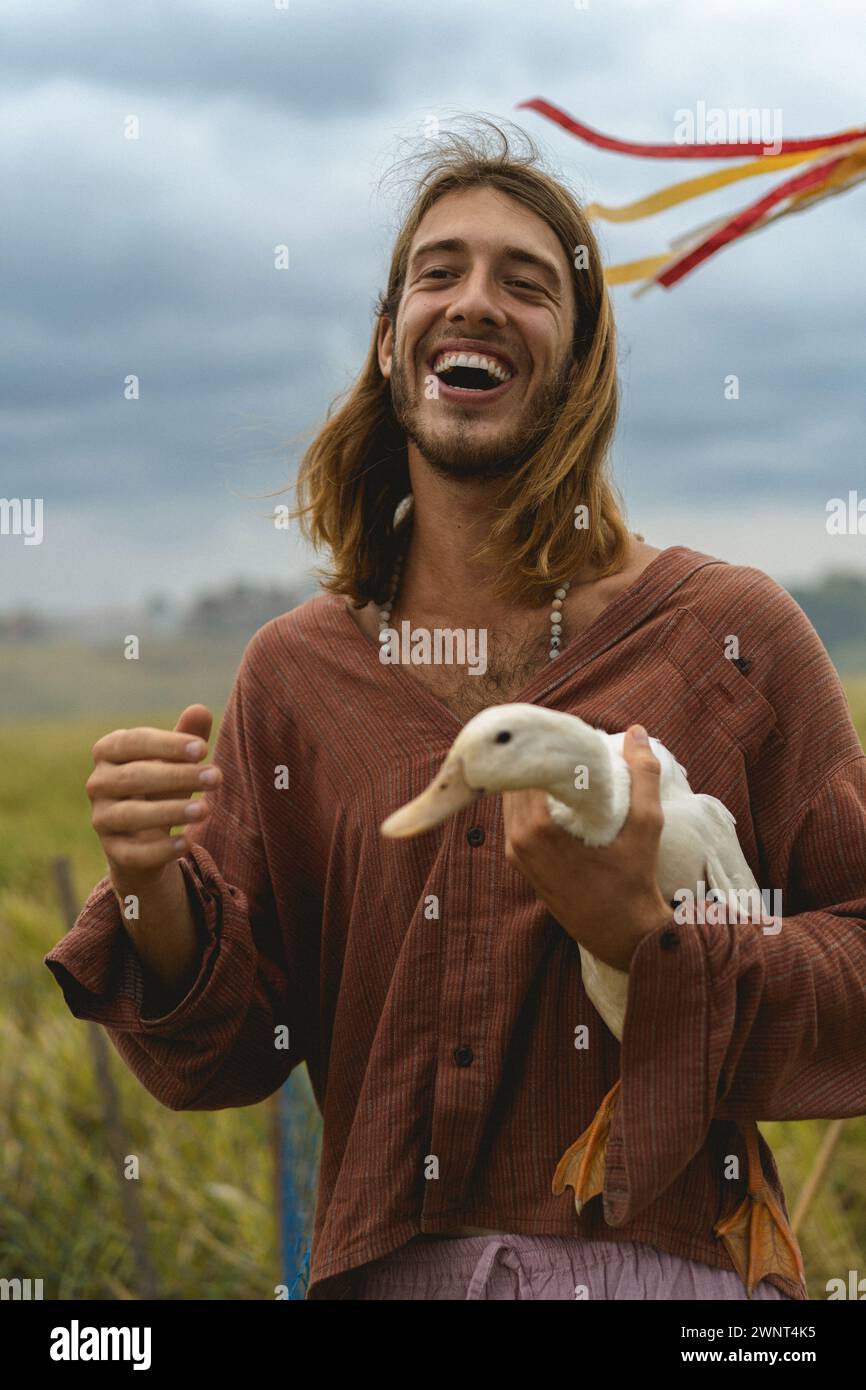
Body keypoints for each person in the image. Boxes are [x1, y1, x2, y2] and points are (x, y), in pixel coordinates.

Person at [45, 120, 866, 1301]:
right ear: (389, 346)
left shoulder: (729, 638)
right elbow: (227, 1053)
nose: (473, 301)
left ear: (579, 365)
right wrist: (150, 885)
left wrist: (653, 943)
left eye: (526, 284)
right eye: (439, 273)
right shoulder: (297, 675)